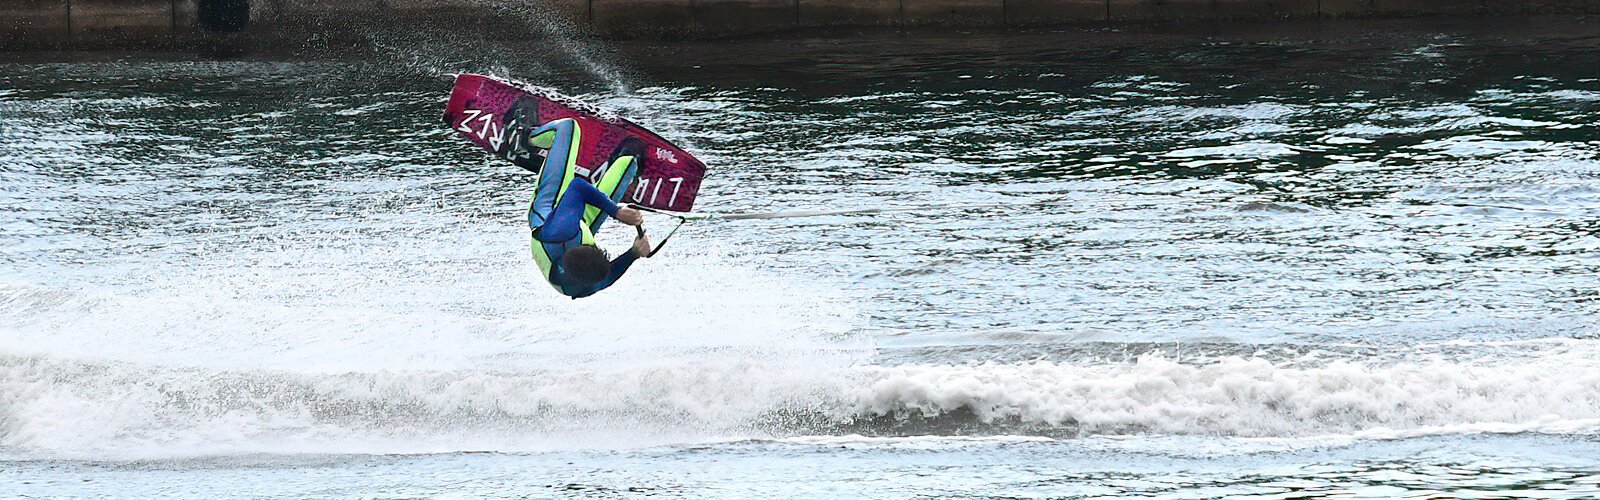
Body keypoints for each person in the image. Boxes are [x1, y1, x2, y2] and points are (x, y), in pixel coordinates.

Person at [522, 117, 651, 298]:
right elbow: (608, 277)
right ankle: (620, 158)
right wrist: (634, 253)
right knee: (629, 162)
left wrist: (616, 212)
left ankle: (528, 137)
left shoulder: (562, 232)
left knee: (568, 127)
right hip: (582, 223)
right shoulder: (583, 288)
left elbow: (577, 186)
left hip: (551, 204)